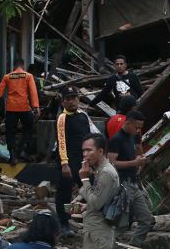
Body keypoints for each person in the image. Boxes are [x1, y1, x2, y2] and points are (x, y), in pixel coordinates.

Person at [108, 111, 155, 246]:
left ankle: (133, 246)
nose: (138, 131)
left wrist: (139, 162)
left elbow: (132, 157)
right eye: (136, 127)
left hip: (133, 184)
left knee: (146, 220)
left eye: (140, 128)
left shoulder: (132, 137)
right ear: (128, 123)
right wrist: (133, 163)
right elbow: (111, 164)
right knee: (121, 224)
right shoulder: (117, 139)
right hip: (122, 186)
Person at [54, 86, 92, 237]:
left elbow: (89, 138)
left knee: (90, 189)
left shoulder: (83, 116)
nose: (71, 101)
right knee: (64, 193)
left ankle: (91, 218)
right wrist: (64, 164)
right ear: (63, 102)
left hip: (82, 159)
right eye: (68, 99)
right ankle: (64, 222)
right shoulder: (62, 118)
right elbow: (61, 141)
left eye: (74, 98)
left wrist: (90, 160)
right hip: (68, 160)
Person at [0, 58, 39, 164]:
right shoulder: (28, 76)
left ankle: (12, 157)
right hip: (24, 108)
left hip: (11, 108)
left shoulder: (7, 76)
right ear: (23, 66)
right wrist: (36, 106)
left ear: (14, 66)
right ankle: (23, 151)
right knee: (28, 128)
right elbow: (33, 92)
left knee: (10, 132)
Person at [79, 133, 119, 249]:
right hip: (95, 229)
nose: (85, 155)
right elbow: (101, 199)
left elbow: (95, 203)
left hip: (99, 232)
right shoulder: (100, 170)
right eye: (83, 151)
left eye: (89, 150)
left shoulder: (106, 172)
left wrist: (85, 179)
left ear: (100, 151)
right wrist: (87, 206)